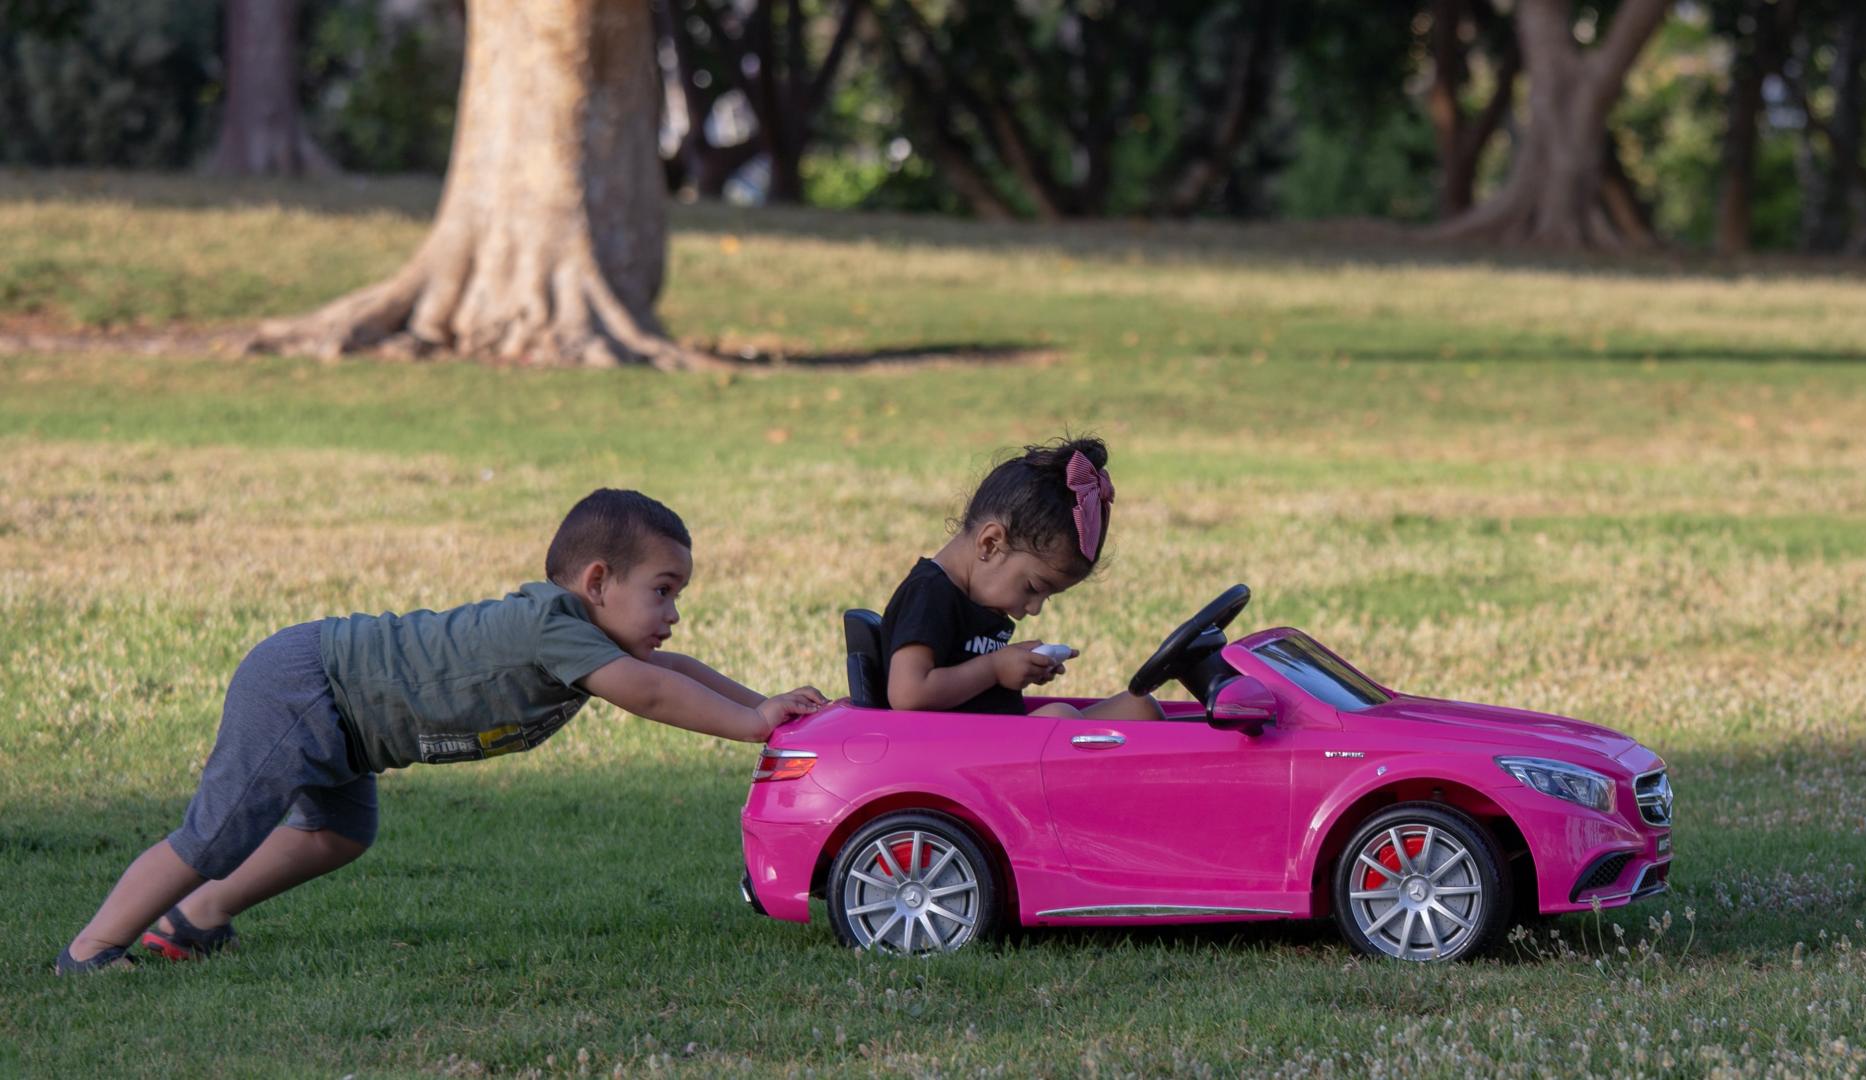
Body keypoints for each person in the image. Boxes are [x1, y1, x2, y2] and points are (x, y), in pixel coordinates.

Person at [56, 488, 824, 973]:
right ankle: (91, 949)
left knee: (339, 834)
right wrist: (749, 724)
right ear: (597, 582)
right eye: (662, 591)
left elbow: (675, 668)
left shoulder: (588, 636)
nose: (672, 613)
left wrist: (765, 709)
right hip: (308, 686)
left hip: (351, 721)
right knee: (219, 831)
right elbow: (652, 694)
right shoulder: (553, 628)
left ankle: (195, 918)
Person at [880, 436, 1162, 721]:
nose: (1034, 608)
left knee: (1139, 706)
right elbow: (908, 694)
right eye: (1033, 588)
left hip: (998, 744)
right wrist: (994, 669)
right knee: (1061, 718)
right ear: (991, 543)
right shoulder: (929, 593)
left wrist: (1016, 666)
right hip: (955, 754)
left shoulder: (979, 597)